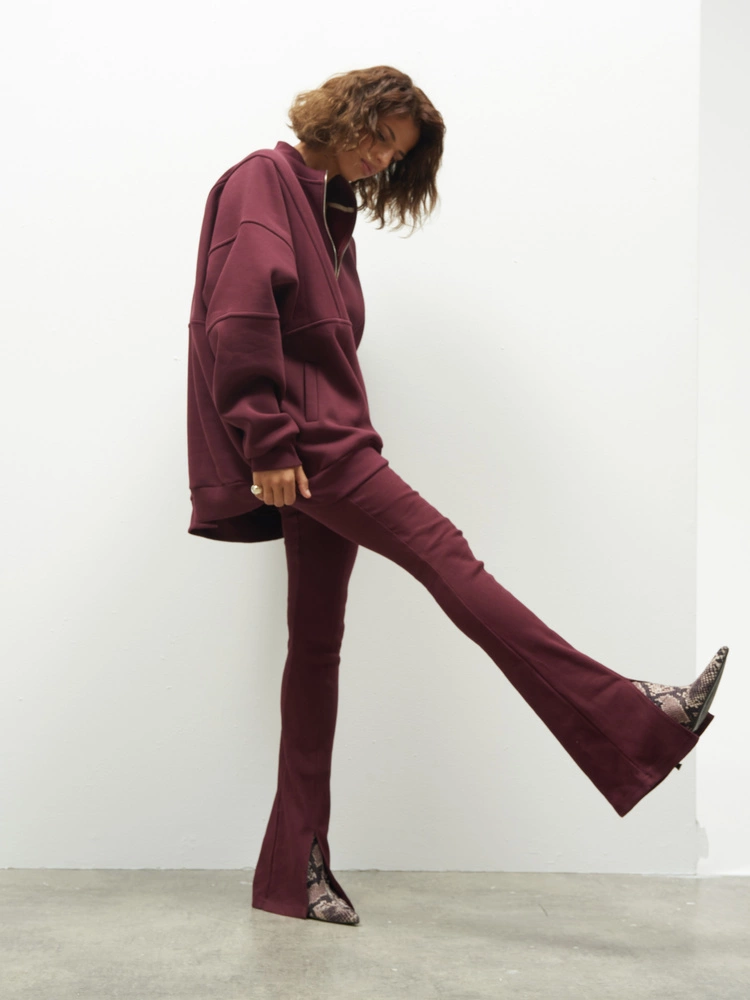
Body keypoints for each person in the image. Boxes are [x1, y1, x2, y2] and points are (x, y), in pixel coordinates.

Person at [185, 65, 729, 926]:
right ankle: (629, 715)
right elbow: (238, 316)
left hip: (325, 439)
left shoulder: (330, 213)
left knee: (316, 647)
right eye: (376, 138)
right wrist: (267, 439)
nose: (379, 160)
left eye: (394, 154)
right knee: (448, 559)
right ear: (340, 115)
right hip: (312, 448)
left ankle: (293, 872)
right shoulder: (264, 178)